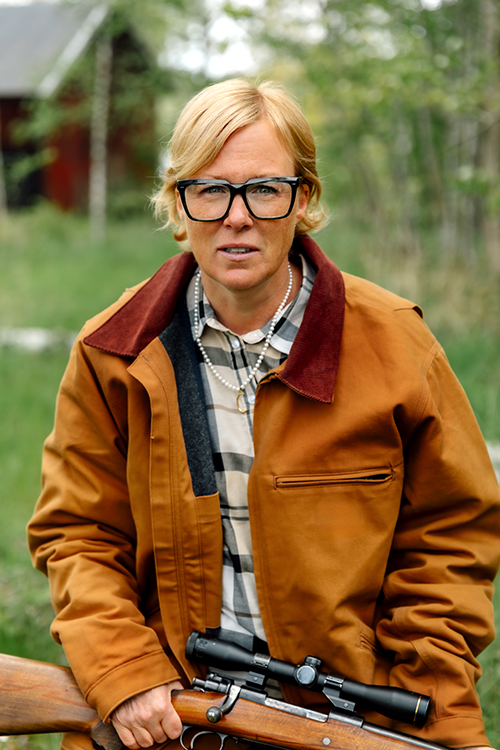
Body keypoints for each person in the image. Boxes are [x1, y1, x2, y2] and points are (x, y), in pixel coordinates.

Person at [28, 78, 500, 750]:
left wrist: (423, 702)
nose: (237, 217)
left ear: (302, 199)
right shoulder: (113, 352)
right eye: (209, 190)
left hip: (354, 720)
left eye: (265, 190)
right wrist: (125, 673)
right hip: (169, 718)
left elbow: (450, 541)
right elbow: (79, 533)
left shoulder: (397, 346)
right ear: (178, 201)